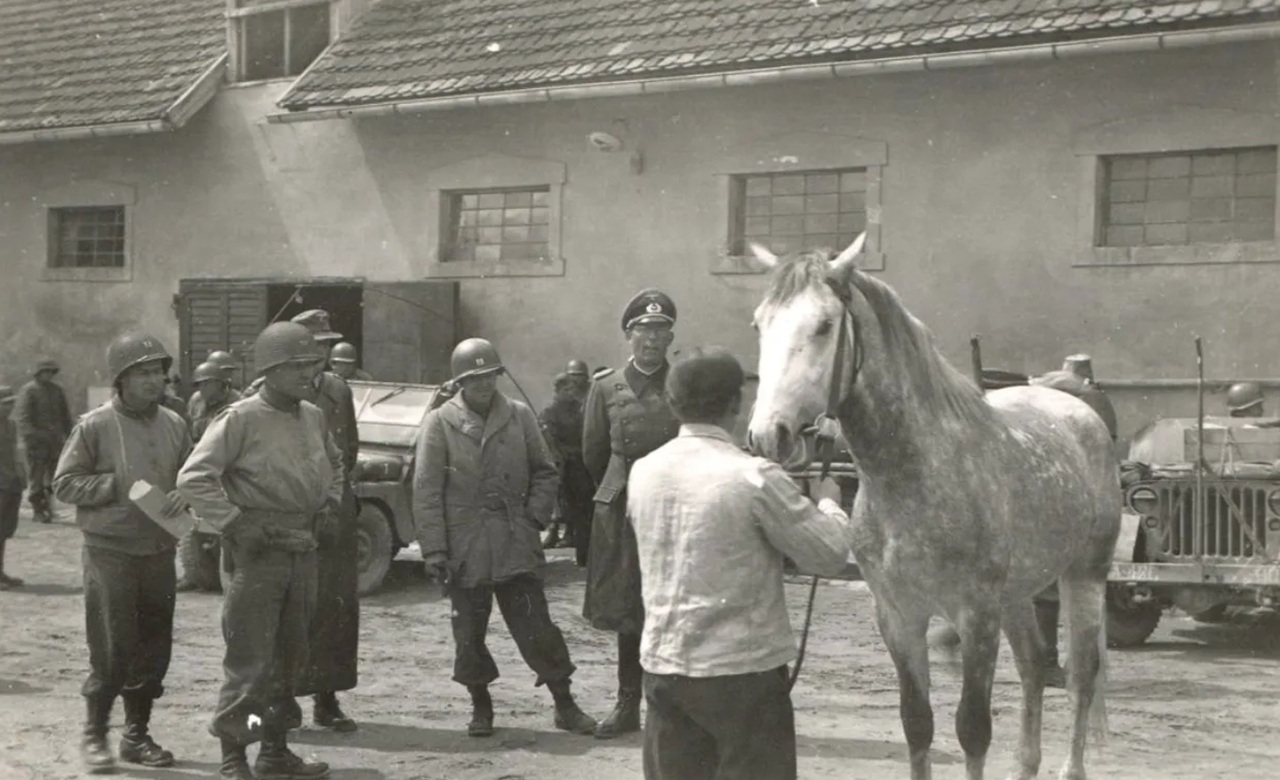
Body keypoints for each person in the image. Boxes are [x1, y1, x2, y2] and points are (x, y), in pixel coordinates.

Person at [629, 347, 855, 780]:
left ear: (673, 403)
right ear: (736, 404)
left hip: (663, 667)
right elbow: (828, 556)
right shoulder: (754, 477)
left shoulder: (644, 471)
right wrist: (829, 502)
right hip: (742, 676)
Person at [177, 322, 341, 780]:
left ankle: (275, 754)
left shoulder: (313, 415)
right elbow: (193, 479)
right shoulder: (239, 418)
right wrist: (235, 523)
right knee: (251, 660)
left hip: (302, 549)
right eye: (297, 367)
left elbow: (336, 463)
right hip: (258, 554)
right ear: (270, 371)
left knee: (290, 658)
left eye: (312, 364)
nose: (310, 373)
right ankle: (234, 758)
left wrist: (327, 503)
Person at [414, 338, 597, 738]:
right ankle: (481, 707)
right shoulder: (439, 422)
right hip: (465, 546)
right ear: (460, 381)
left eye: (490, 375)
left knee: (538, 628)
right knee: (469, 633)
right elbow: (427, 490)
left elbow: (545, 470)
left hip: (515, 540)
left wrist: (534, 516)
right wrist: (435, 551)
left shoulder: (518, 416)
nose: (483, 384)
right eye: (474, 377)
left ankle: (565, 705)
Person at [52, 333, 192, 772]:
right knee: (113, 646)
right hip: (110, 551)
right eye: (144, 373)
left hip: (158, 549)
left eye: (159, 372)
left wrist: (183, 495)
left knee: (154, 645)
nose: (156, 381)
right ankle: (95, 734)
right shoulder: (94, 425)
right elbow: (64, 484)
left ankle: (136, 735)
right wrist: (115, 485)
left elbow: (192, 476)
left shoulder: (175, 423)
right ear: (121, 380)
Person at [581, 289, 682, 738]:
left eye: (661, 331)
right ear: (628, 335)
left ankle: (674, 708)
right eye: (644, 331)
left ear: (670, 337)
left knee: (675, 605)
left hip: (674, 505)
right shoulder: (605, 387)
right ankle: (627, 705)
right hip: (623, 508)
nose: (652, 340)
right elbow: (593, 453)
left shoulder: (683, 385)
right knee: (628, 609)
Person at [289, 309, 361, 732]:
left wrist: (333, 498)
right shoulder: (269, 390)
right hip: (294, 515)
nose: (320, 354)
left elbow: (347, 448)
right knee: (293, 607)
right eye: (312, 346)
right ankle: (285, 695)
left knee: (335, 608)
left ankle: (327, 697)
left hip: (334, 514)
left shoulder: (338, 389)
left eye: (324, 346)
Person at [1029, 352, 1119, 688]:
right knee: (1066, 587)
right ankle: (1066, 663)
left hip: (1066, 503)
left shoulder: (1072, 411)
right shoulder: (1094, 406)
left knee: (1047, 588)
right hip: (1078, 503)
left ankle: (1053, 662)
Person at [540, 366, 593, 565]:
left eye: (573, 389)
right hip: (563, 467)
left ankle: (584, 553)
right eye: (567, 390)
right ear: (558, 391)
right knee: (565, 507)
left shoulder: (579, 410)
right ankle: (560, 536)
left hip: (580, 467)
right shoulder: (549, 412)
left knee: (582, 511)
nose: (571, 393)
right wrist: (559, 458)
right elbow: (549, 442)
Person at [15, 358, 72, 523]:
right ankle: (38, 510)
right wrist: (34, 437)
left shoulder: (57, 391)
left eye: (51, 372)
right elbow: (24, 420)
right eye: (45, 372)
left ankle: (48, 507)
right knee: (37, 478)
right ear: (38, 373)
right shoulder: (29, 391)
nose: (48, 375)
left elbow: (65, 416)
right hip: (36, 444)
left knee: (54, 477)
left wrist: (70, 436)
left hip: (55, 443)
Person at [0, 386, 25, 590]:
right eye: (4, 404)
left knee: (5, 530)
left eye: (11, 404)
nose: (9, 408)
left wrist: (20, 474)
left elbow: (16, 454)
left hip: (10, 484)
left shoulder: (11, 426)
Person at [189, 361, 241, 443]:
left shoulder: (236, 400)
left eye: (206, 384)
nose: (202, 388)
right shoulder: (196, 400)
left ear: (219, 384)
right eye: (200, 384)